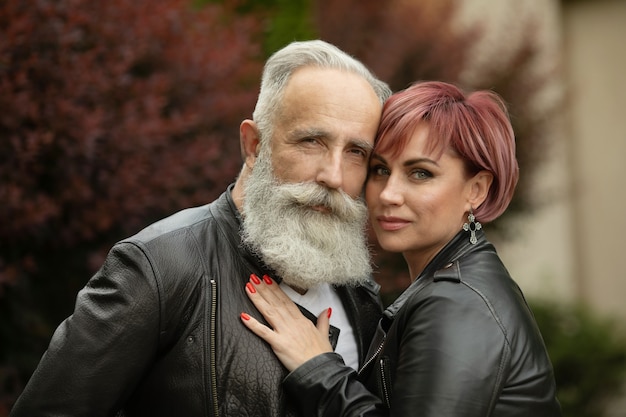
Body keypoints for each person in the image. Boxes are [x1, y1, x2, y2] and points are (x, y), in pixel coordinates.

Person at [10, 40, 392, 417]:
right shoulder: (160, 268)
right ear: (254, 144)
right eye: (312, 141)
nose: (334, 176)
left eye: (356, 152)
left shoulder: (361, 296)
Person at [241, 81, 562, 416]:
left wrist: (319, 368)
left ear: (477, 190)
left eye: (420, 173)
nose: (388, 194)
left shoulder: (457, 303)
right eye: (380, 170)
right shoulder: (458, 284)